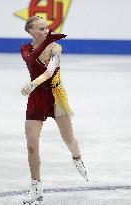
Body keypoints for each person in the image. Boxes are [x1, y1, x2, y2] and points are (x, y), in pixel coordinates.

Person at [20, 16, 88, 204]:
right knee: (32, 145)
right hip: (36, 97)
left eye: (47, 28)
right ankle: (36, 187)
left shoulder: (57, 48)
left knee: (69, 139)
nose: (46, 31)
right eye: (41, 29)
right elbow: (32, 60)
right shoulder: (25, 49)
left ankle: (77, 157)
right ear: (31, 31)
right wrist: (34, 86)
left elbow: (49, 72)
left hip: (55, 95)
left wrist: (33, 83)